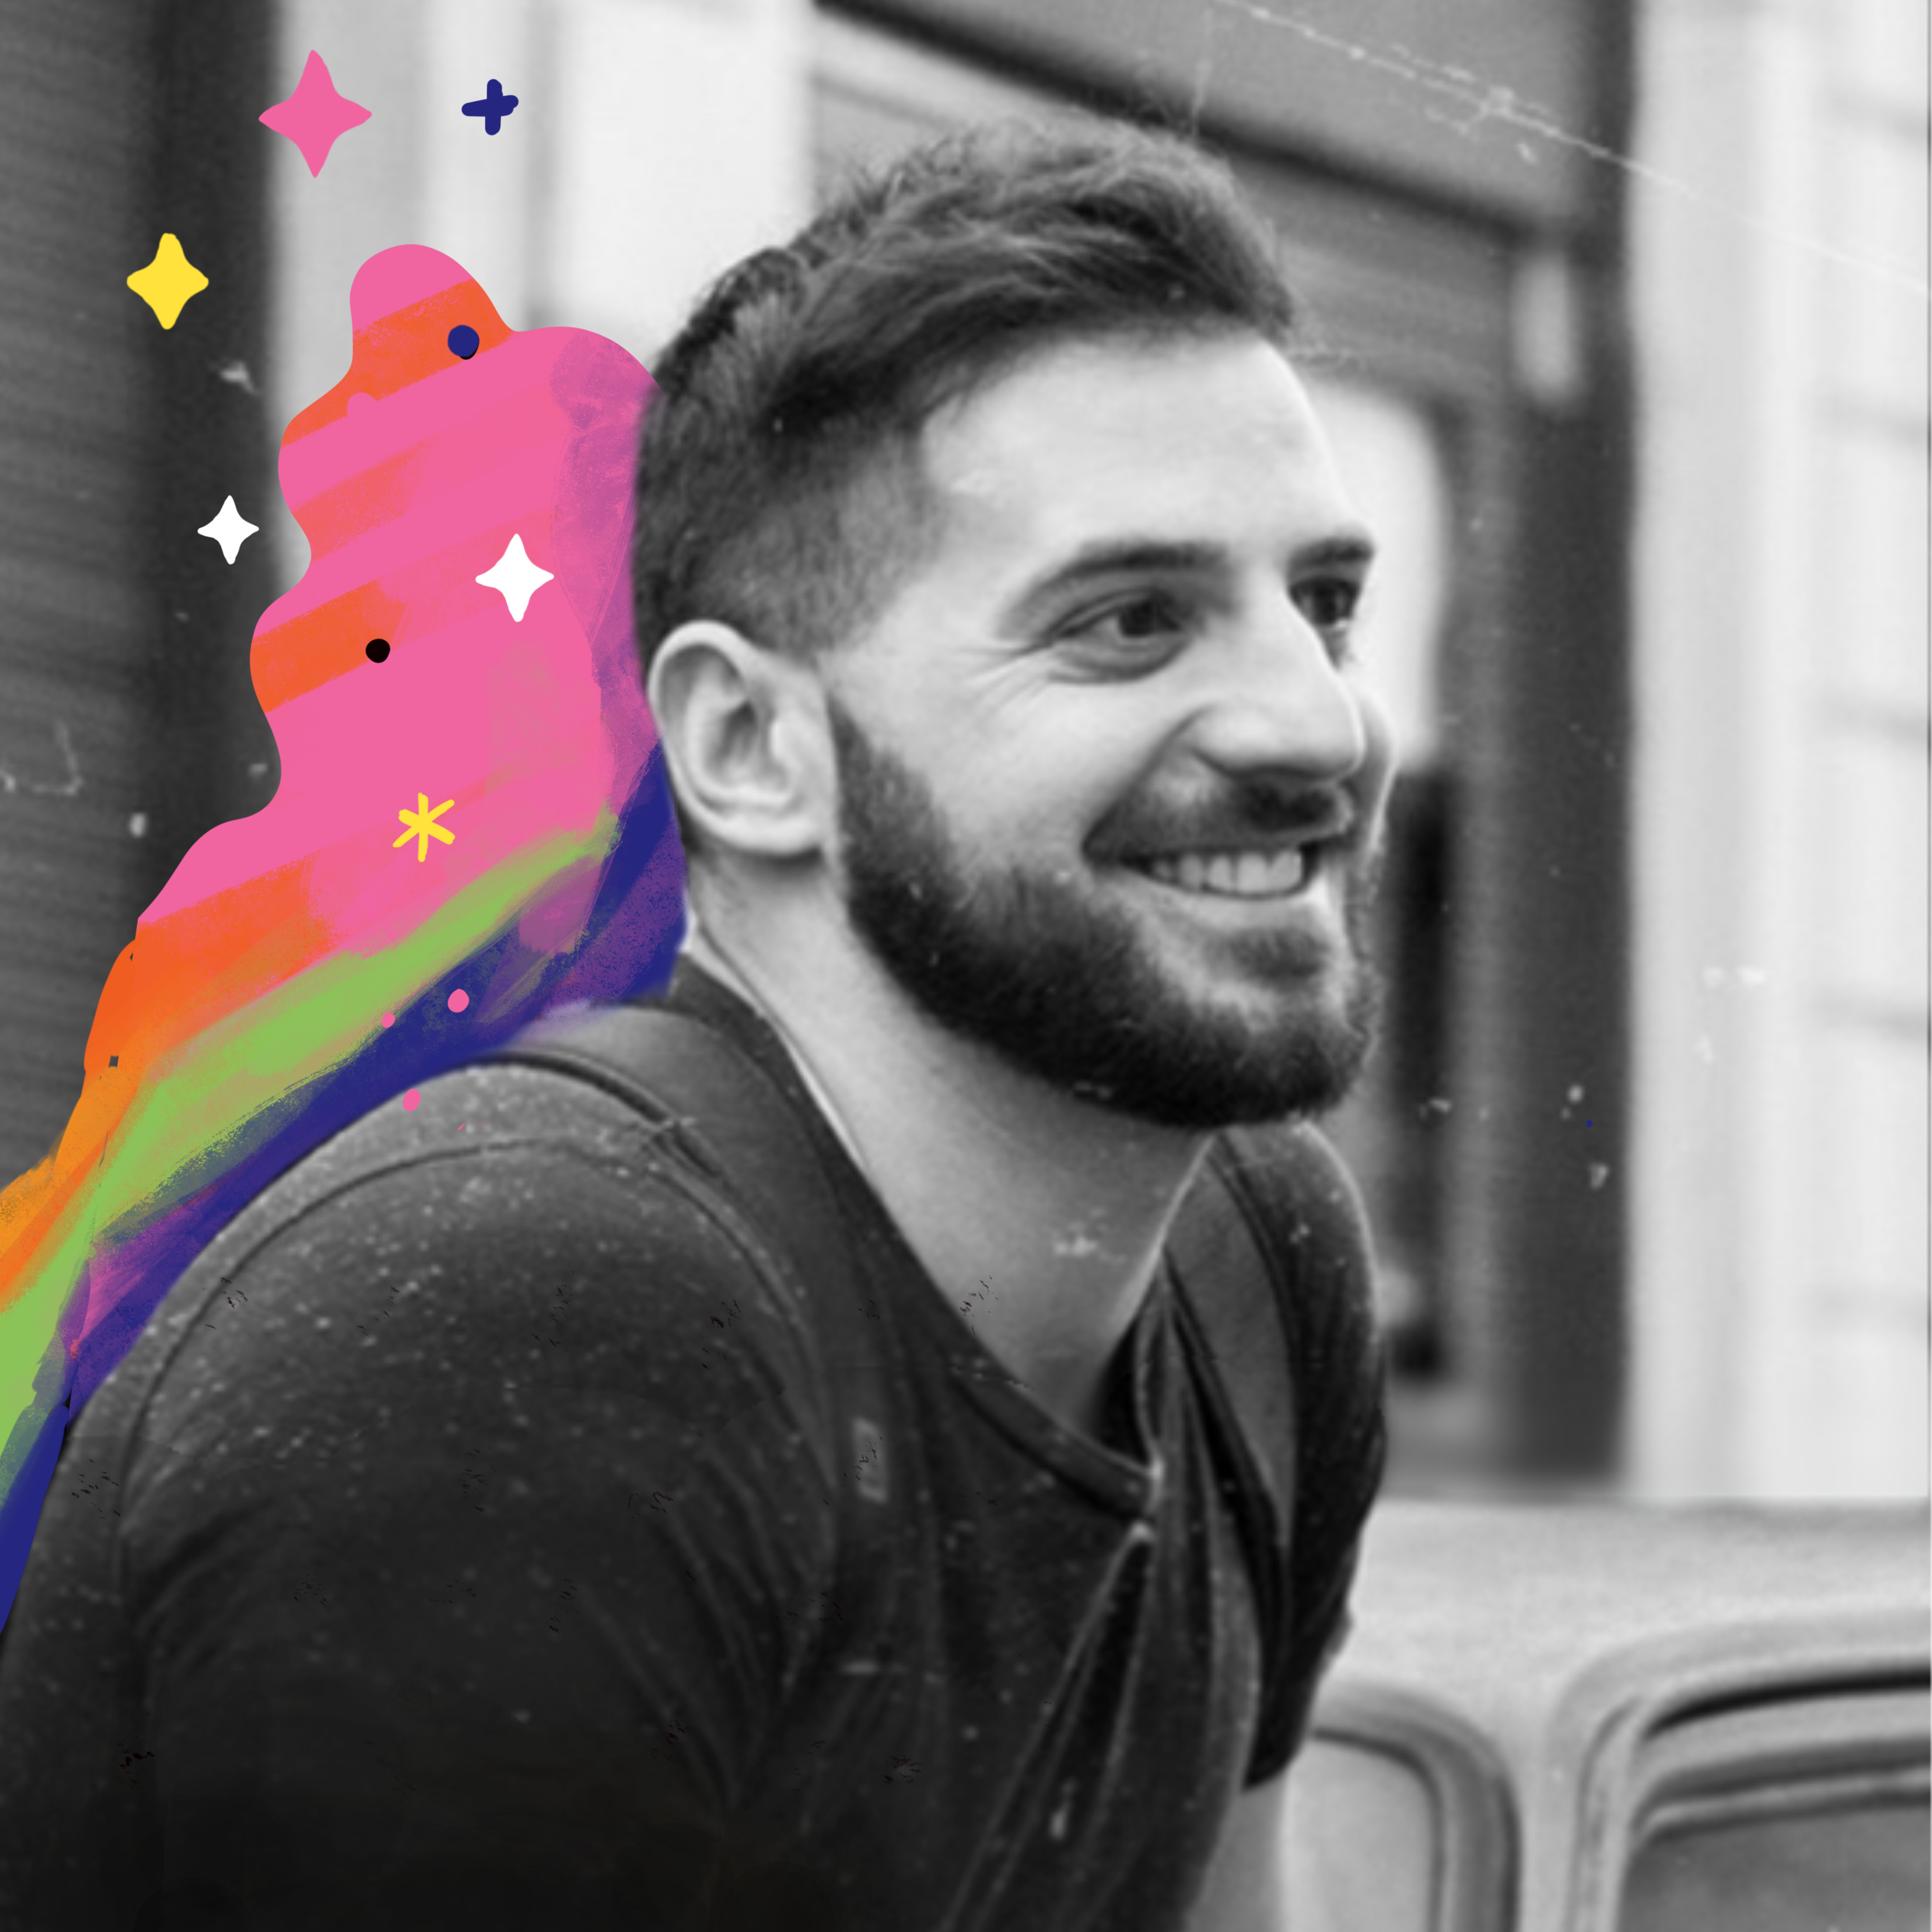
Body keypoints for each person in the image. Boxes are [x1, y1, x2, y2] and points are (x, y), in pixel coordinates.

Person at [0, 120, 1394, 1930]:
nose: (1319, 727)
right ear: (748, 748)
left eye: (1324, 605)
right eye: (1130, 622)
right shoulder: (531, 1327)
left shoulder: (1253, 1271)